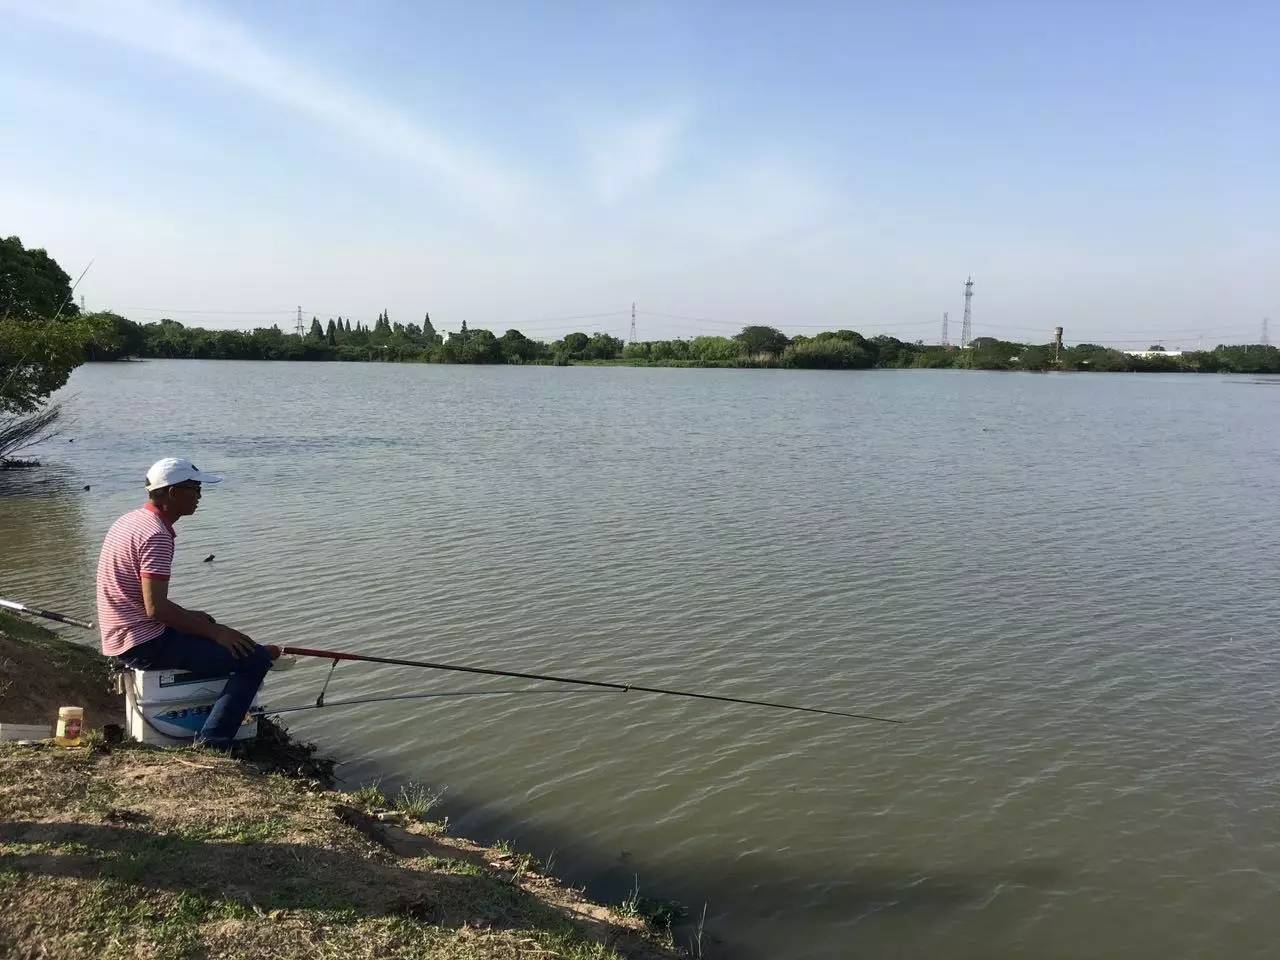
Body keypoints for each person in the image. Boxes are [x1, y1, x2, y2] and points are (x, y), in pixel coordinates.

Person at [96, 457, 276, 749]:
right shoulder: (156, 535)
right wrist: (219, 635)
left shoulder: (130, 520)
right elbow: (156, 609)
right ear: (172, 493)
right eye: (195, 488)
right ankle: (213, 743)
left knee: (218, 632)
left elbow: (147, 602)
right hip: (141, 642)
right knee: (254, 660)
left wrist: (193, 618)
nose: (200, 496)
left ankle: (209, 716)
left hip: (124, 632)